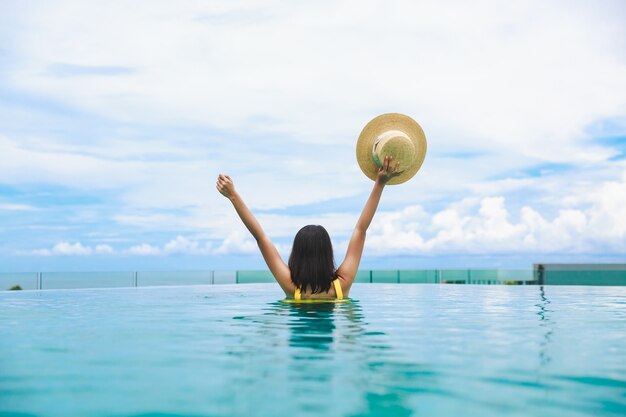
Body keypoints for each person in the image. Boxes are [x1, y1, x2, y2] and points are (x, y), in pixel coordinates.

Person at [216, 155, 401, 300]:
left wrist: (233, 195)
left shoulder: (291, 287)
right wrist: (380, 183)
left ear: (297, 254)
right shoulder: (341, 285)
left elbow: (260, 236)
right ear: (327, 253)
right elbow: (361, 229)